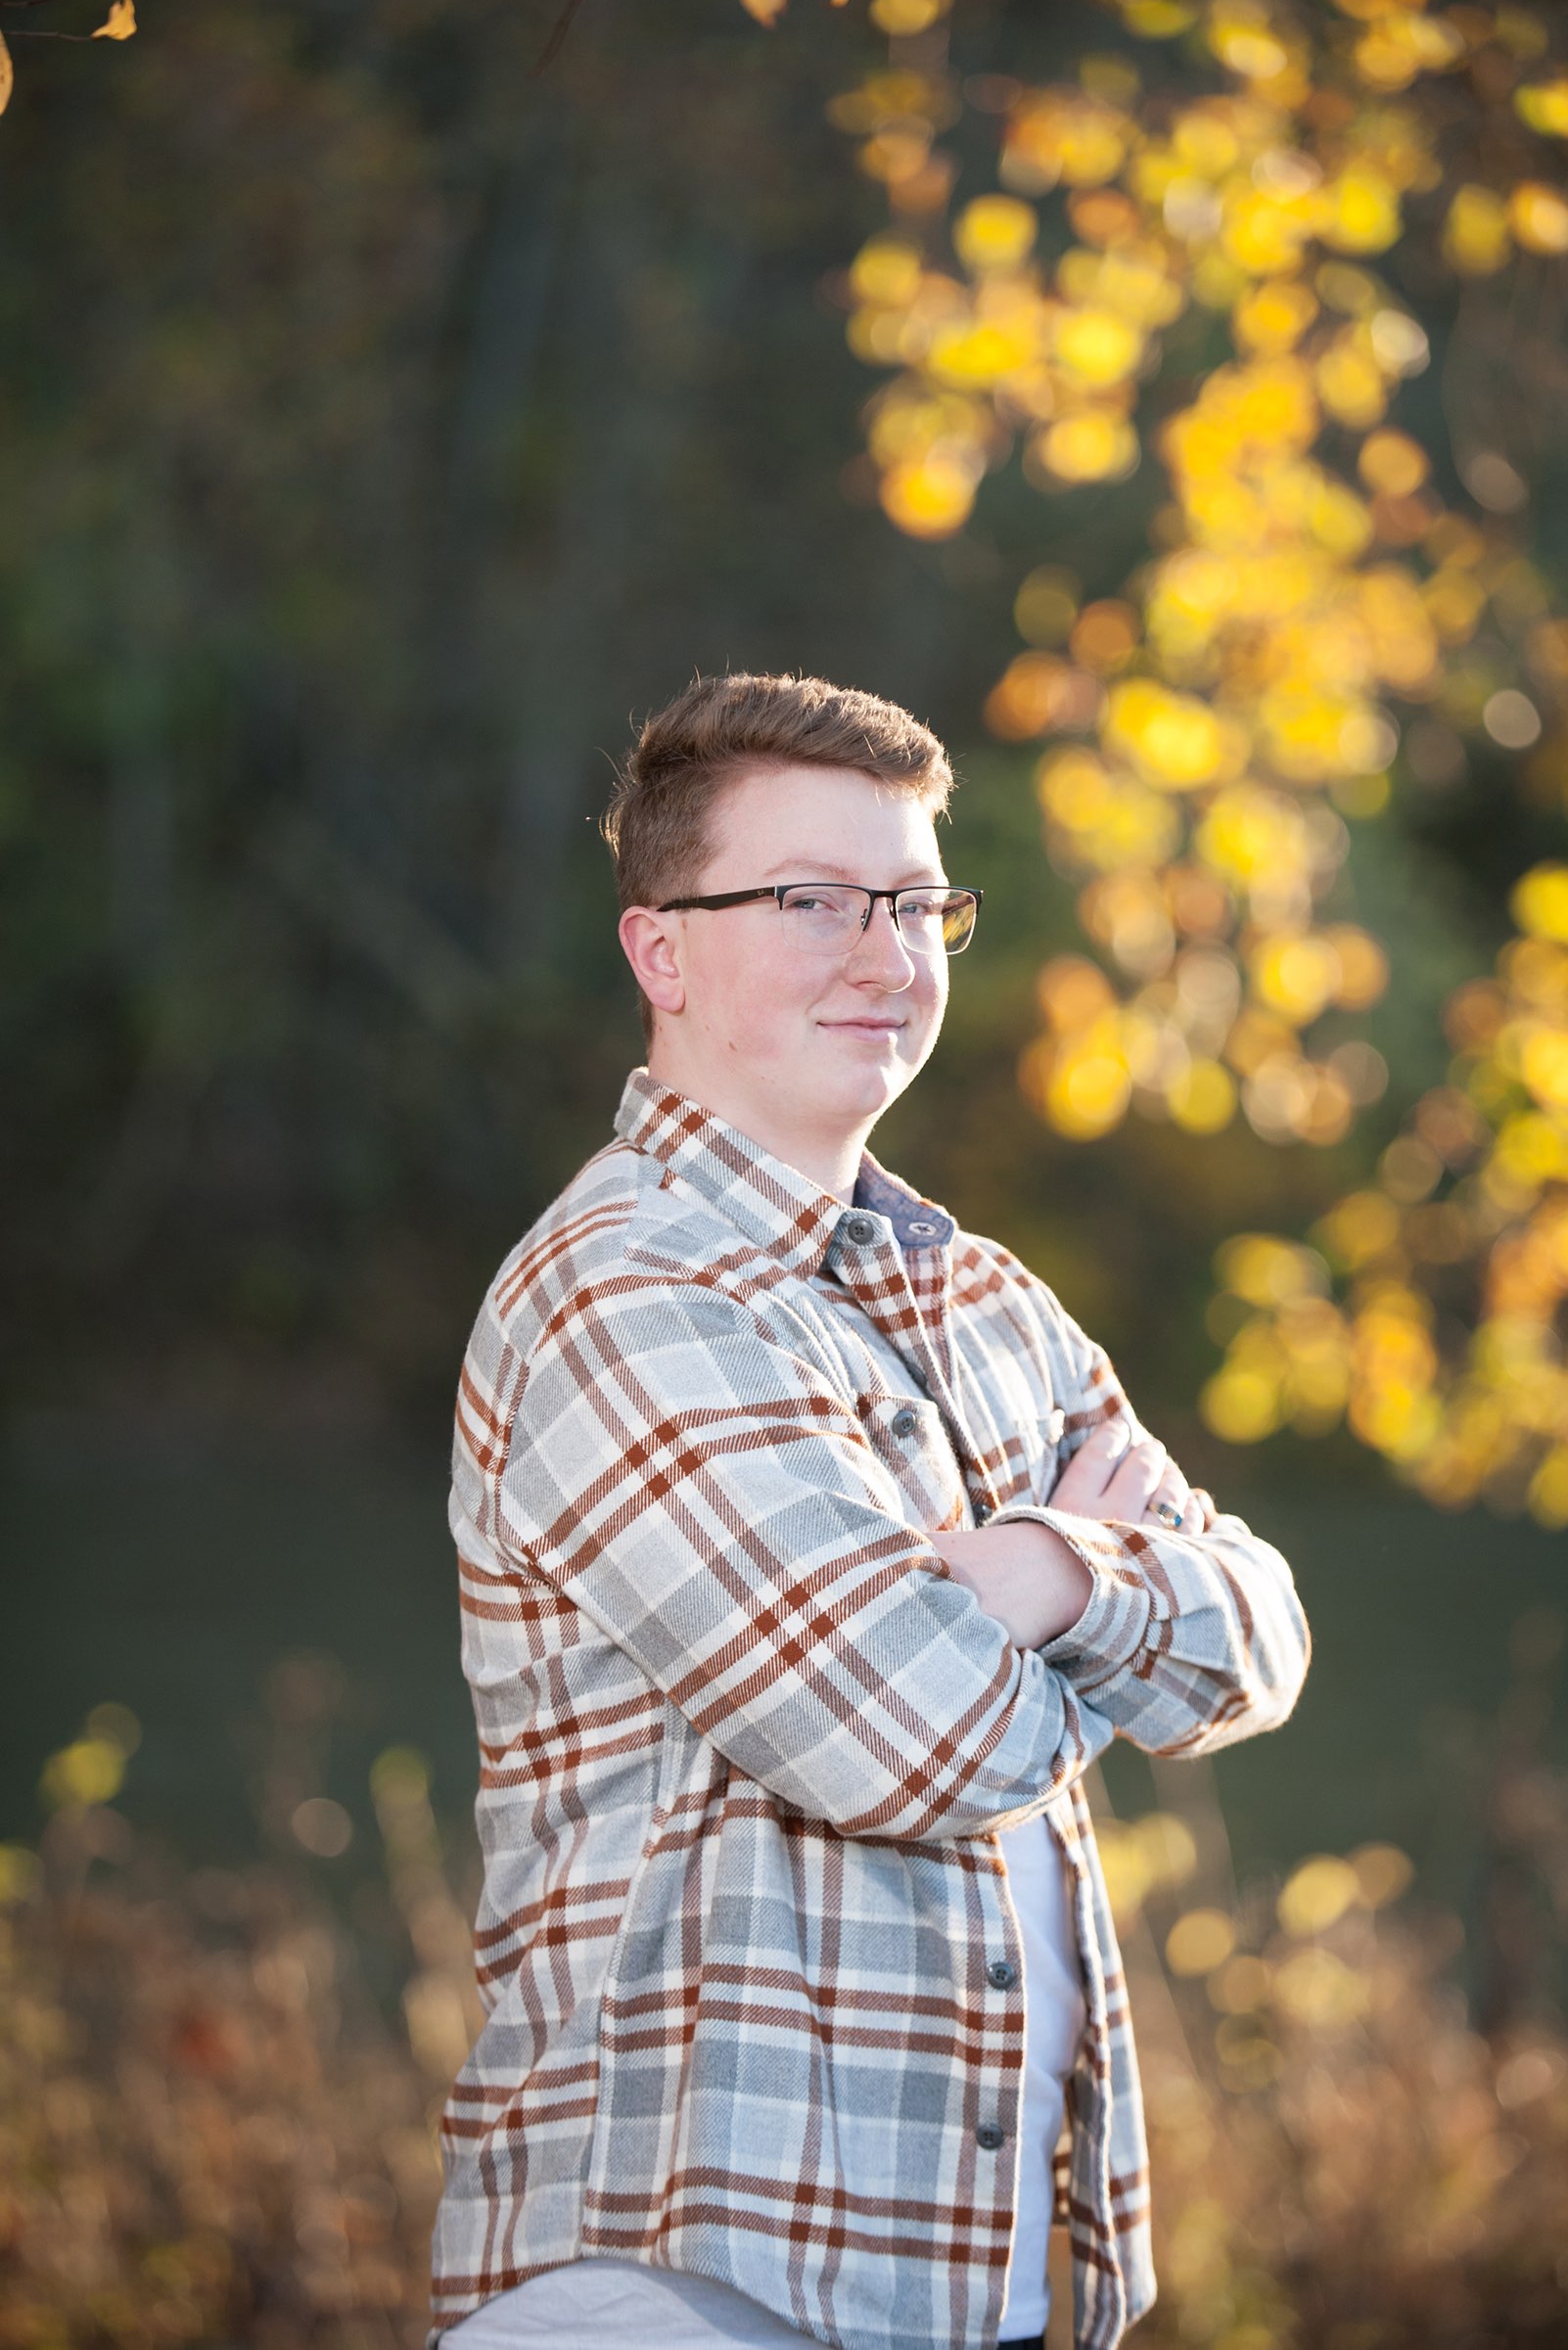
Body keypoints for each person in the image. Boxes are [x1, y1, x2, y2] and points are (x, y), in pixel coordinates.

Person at [432, 673, 1310, 2350]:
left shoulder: (977, 1293)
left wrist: (1035, 1569)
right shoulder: (618, 1297)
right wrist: (1107, 1593)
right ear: (661, 952)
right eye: (813, 902)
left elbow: (1257, 1645)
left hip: (963, 2287)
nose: (888, 954)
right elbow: (914, 1741)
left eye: (917, 904)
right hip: (675, 2285)